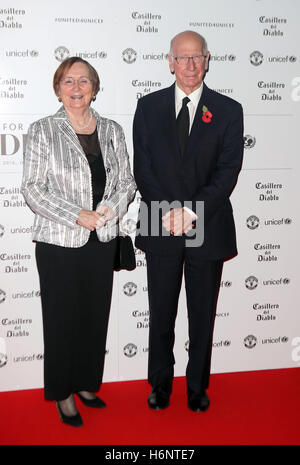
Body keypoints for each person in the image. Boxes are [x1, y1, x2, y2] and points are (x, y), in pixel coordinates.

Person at [21, 57, 136, 426]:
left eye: (83, 81)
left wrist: (107, 209)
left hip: (101, 238)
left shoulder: (113, 130)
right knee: (61, 320)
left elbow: (127, 183)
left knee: (93, 316)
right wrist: (77, 214)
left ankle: (87, 382)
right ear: (58, 88)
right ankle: (62, 391)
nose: (76, 88)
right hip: (58, 243)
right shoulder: (42, 130)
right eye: (68, 82)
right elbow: (33, 190)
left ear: (94, 87)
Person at [133, 31, 243, 412]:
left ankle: (197, 386)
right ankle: (160, 384)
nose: (190, 65)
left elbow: (228, 171)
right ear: (170, 62)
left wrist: (191, 211)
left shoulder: (229, 110)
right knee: (161, 311)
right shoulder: (147, 107)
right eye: (183, 57)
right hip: (158, 220)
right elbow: (142, 170)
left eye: (197, 57)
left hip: (207, 221)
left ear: (208, 60)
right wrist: (168, 213)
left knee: (201, 312)